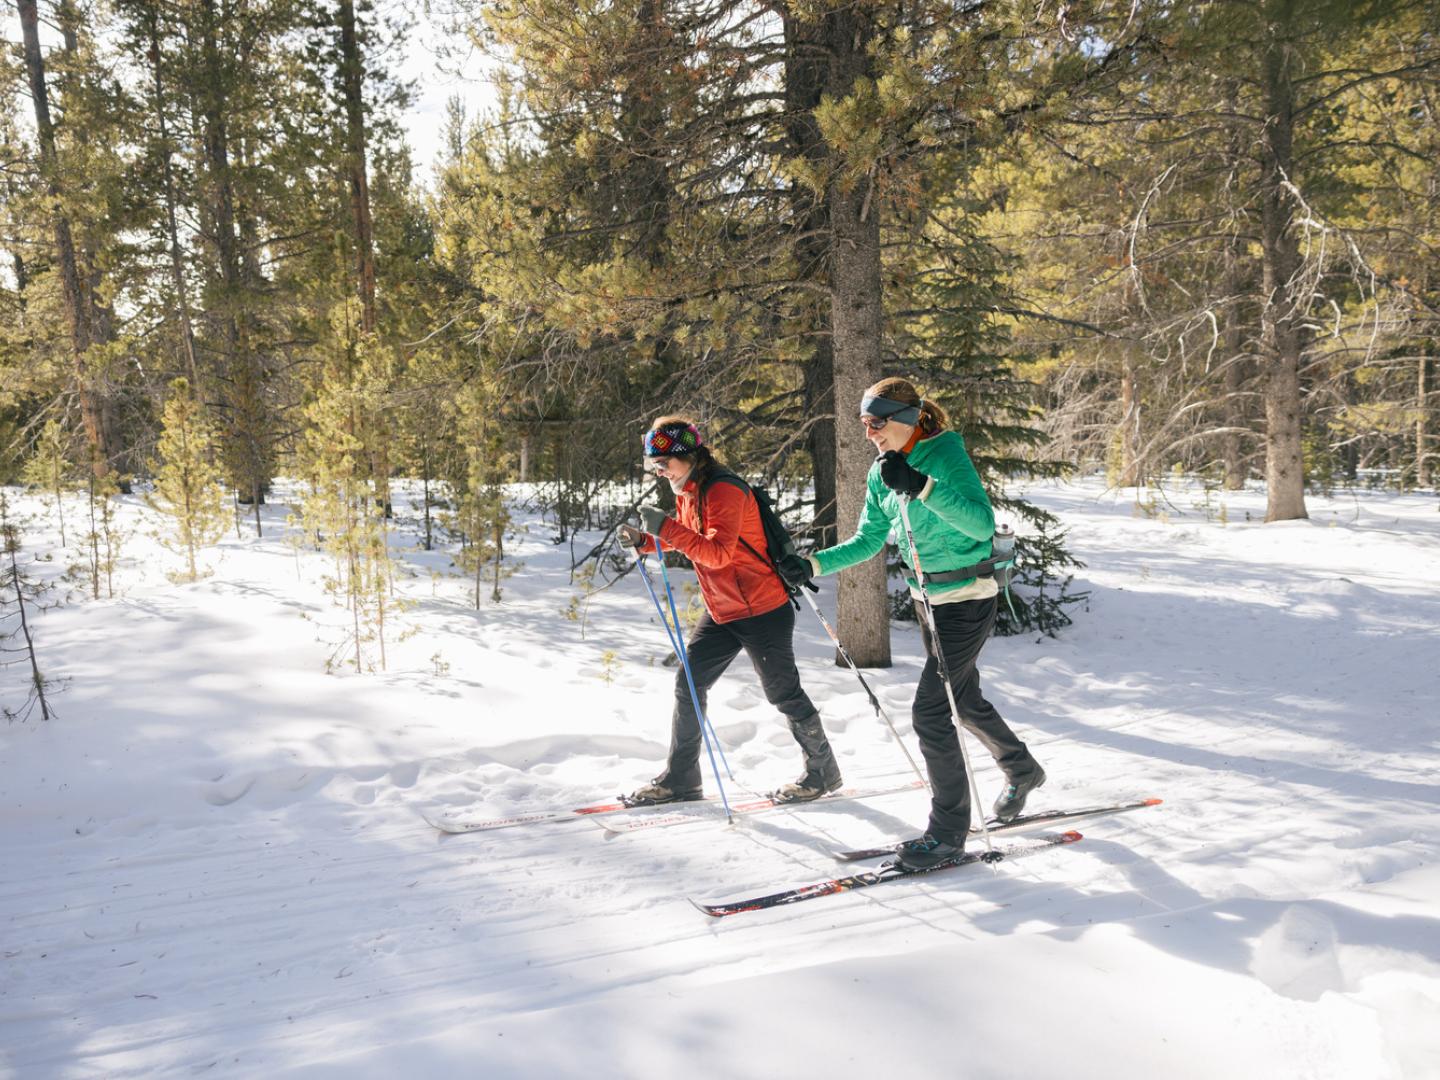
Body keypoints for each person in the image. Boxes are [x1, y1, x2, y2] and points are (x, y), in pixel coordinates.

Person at [778, 377, 1045, 870]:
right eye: (863, 424)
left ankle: (947, 834)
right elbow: (867, 541)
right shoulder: (882, 472)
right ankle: (1021, 768)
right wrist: (810, 566)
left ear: (905, 418)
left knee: (930, 711)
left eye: (876, 422)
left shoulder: (945, 455)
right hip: (931, 603)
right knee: (960, 697)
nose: (869, 433)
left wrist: (922, 487)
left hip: (969, 599)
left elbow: (980, 525)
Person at [618, 416, 844, 806]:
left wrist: (666, 529)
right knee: (689, 683)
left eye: (663, 461)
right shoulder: (689, 490)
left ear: (686, 455)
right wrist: (648, 542)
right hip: (723, 610)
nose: (658, 470)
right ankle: (681, 779)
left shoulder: (723, 490)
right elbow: (693, 543)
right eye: (652, 463)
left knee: (782, 693)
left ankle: (823, 771)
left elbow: (718, 554)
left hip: (761, 609)